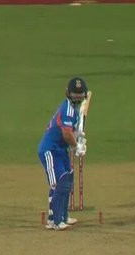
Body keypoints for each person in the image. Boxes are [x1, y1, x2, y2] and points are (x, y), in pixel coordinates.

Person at [37, 77, 89, 231]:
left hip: (60, 150)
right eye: (75, 95)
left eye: (80, 95)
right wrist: (77, 146)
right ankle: (54, 220)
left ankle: (64, 216)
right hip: (50, 150)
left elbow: (69, 131)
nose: (77, 98)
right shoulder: (68, 109)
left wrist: (78, 136)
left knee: (67, 180)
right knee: (58, 183)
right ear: (68, 93)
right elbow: (66, 134)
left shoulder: (73, 110)